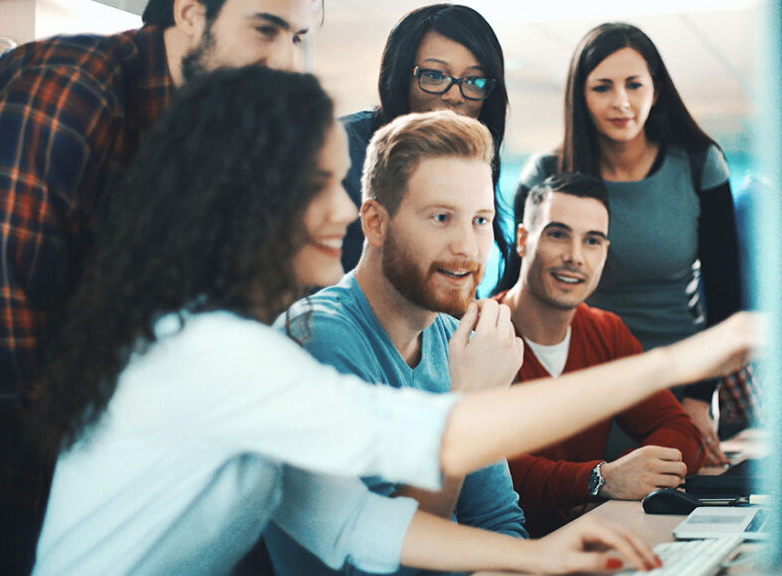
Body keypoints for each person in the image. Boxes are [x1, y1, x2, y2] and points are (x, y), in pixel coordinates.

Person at [32, 67, 754, 574]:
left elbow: (351, 521)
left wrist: (533, 555)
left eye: (476, 219)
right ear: (243, 199)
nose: (344, 211)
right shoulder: (222, 352)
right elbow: (431, 441)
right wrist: (682, 361)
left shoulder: (242, 348)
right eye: (320, 185)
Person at [0, 0, 315, 571]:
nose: (285, 63)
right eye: (265, 30)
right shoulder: (71, 92)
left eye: (298, 38)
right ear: (189, 15)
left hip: (56, 444)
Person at [266, 110, 525, 575]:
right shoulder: (313, 340)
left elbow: (498, 521)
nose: (467, 247)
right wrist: (467, 403)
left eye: (481, 220)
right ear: (375, 223)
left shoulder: (454, 337)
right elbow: (382, 566)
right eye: (442, 217)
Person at [497, 23, 748, 466]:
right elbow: (517, 283)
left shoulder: (698, 163)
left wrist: (698, 396)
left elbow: (725, 294)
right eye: (602, 87)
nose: (621, 102)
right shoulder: (548, 173)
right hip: (584, 375)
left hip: (680, 374)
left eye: (634, 84)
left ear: (657, 87)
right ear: (581, 94)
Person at [494, 173, 704, 537]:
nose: (575, 257)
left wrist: (634, 476)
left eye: (592, 241)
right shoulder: (476, 332)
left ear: (605, 252)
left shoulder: (606, 332)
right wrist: (598, 480)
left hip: (589, 540)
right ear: (524, 241)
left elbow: (683, 430)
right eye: (558, 234)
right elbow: (484, 469)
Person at [339, 3, 511, 277]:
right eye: (434, 75)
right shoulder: (342, 150)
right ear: (400, 78)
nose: (455, 95)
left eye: (474, 81)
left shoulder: (470, 163)